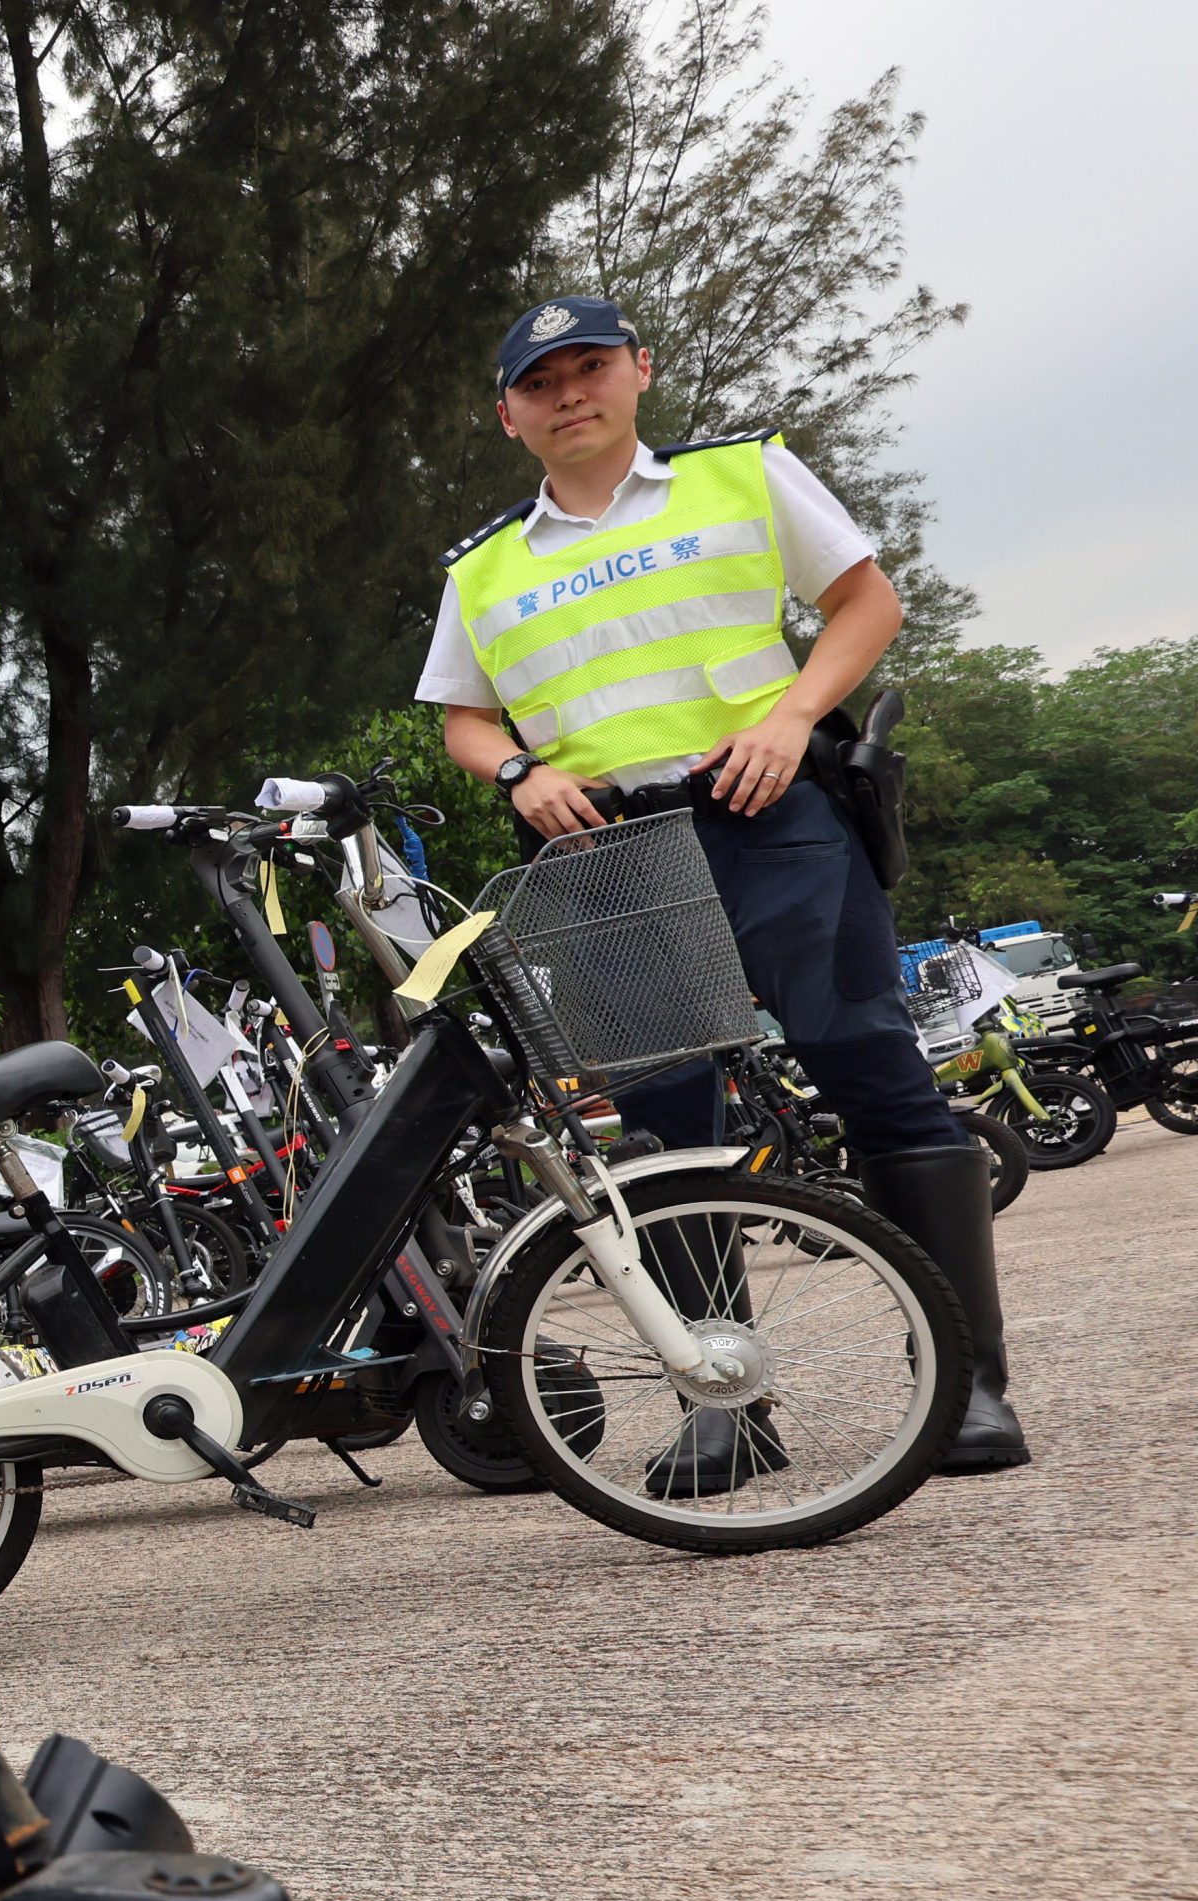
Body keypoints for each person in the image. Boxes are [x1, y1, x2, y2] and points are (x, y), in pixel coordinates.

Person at [422, 293, 1025, 1477]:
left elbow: (868, 600)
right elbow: (463, 715)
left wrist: (796, 715)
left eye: (590, 367)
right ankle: (725, 1402)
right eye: (539, 385)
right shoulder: (484, 564)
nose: (569, 395)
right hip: (608, 853)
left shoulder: (742, 474)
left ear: (639, 371)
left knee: (874, 1073)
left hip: (765, 815)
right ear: (508, 415)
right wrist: (516, 771)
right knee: (658, 1128)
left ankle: (968, 1388)